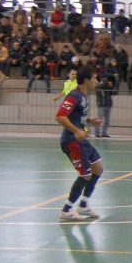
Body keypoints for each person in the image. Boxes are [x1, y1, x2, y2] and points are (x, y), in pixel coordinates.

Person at [55, 66, 104, 220]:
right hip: (72, 141)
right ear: (86, 80)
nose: (97, 81)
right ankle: (66, 210)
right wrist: (76, 131)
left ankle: (83, 205)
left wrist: (90, 120)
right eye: (95, 78)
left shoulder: (84, 96)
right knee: (86, 175)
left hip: (82, 141)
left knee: (98, 169)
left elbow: (76, 116)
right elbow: (60, 116)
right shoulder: (74, 95)